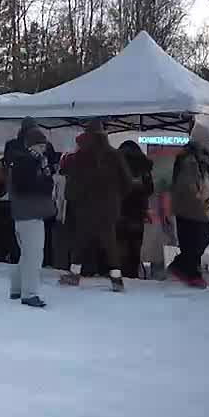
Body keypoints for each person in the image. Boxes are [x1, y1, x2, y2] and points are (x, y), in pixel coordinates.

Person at [60, 121, 132, 292]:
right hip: (109, 207)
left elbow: (72, 184)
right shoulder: (115, 155)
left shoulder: (80, 156)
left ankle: (74, 274)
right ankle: (116, 278)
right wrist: (117, 197)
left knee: (80, 240)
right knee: (110, 242)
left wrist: (73, 200)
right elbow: (127, 182)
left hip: (85, 206)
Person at [5, 119, 58, 308]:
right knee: (34, 255)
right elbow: (33, 187)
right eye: (41, 145)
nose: (44, 149)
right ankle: (30, 293)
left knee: (26, 253)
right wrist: (45, 176)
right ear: (32, 145)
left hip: (22, 212)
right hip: (30, 212)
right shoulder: (28, 162)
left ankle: (17, 288)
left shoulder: (21, 160)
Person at [169, 124, 209, 288]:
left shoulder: (203, 158)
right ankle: (190, 272)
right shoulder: (189, 158)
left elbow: (206, 182)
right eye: (208, 140)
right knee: (194, 240)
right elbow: (186, 183)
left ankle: (185, 268)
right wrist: (197, 195)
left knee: (201, 238)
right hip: (188, 206)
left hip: (199, 205)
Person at [117, 141, 155, 279]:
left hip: (120, 213)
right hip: (138, 214)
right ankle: (132, 274)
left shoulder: (116, 165)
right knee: (135, 246)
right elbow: (150, 189)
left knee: (120, 246)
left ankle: (120, 273)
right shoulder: (143, 167)